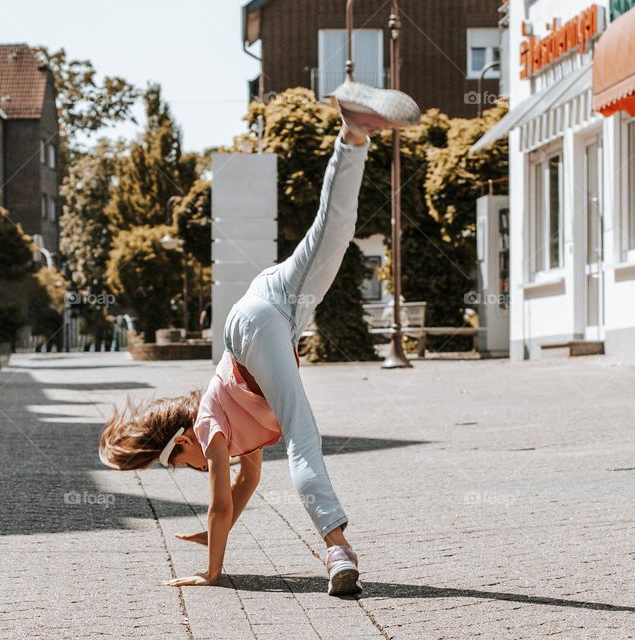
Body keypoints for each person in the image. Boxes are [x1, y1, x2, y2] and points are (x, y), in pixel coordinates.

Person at [99, 81, 420, 596]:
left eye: (184, 464)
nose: (200, 467)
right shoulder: (229, 425)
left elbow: (221, 499)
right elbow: (244, 485)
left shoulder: (209, 424)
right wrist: (213, 533)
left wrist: (212, 571)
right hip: (273, 307)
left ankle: (337, 547)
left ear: (181, 443)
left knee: (301, 434)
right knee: (332, 237)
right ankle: (354, 135)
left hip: (253, 325)